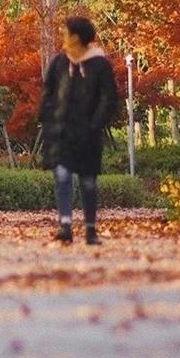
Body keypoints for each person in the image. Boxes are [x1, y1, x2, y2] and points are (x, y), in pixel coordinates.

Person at [39, 15, 119, 246]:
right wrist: (46, 117)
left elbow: (108, 98)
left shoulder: (99, 64)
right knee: (62, 176)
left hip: (88, 133)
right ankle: (65, 225)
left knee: (88, 181)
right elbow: (49, 91)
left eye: (66, 33)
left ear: (76, 37)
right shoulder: (59, 62)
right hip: (61, 131)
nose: (63, 37)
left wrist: (95, 124)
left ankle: (90, 229)